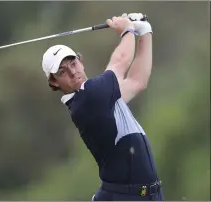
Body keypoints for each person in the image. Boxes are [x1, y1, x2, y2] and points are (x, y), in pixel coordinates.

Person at [41, 13, 164, 201]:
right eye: (62, 72)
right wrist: (127, 30)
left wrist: (145, 32)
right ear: (54, 82)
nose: (73, 72)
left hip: (148, 195)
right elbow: (121, 60)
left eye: (73, 63)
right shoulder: (88, 99)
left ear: (81, 62)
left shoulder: (102, 96)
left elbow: (137, 80)